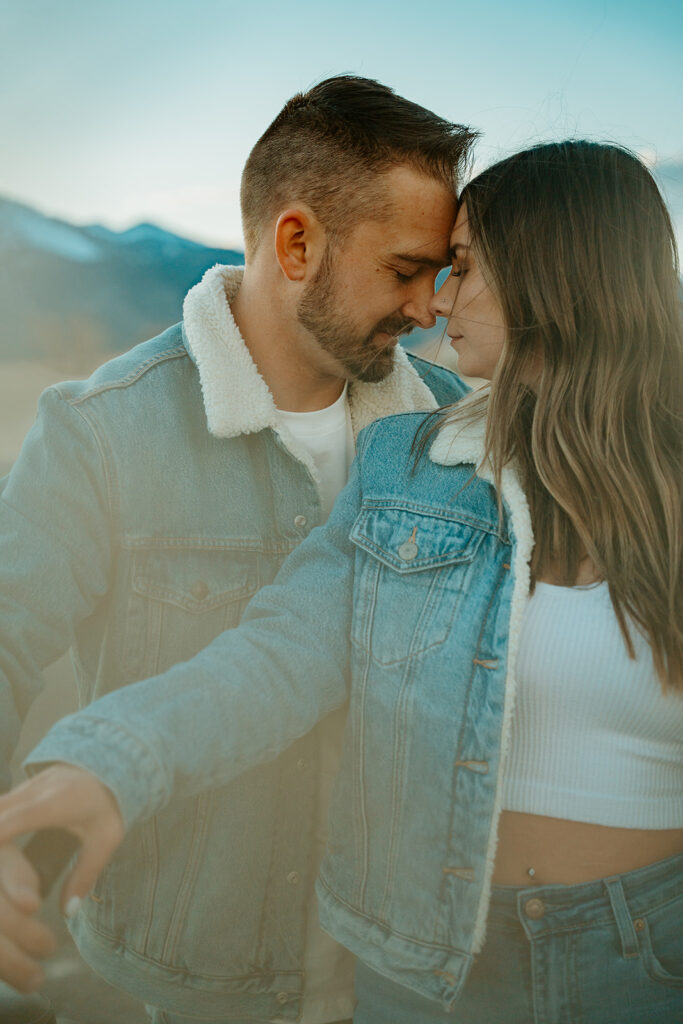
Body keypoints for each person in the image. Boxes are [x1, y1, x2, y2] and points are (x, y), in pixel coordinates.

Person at [2, 140, 681, 1023]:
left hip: (647, 960)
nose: (437, 300)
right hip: (420, 965)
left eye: (463, 270)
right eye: (426, 269)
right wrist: (102, 766)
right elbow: (280, 653)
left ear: (557, 272)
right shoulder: (414, 461)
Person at [0, 75, 476, 1023]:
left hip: (404, 985)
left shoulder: (456, 437)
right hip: (179, 980)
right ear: (297, 243)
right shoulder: (100, 432)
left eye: (441, 274)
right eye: (403, 269)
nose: (430, 309)